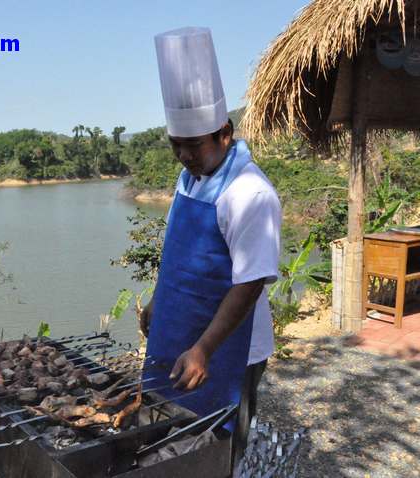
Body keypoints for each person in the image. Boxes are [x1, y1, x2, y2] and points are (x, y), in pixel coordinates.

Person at [141, 27, 281, 464]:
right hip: (177, 330)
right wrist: (155, 303)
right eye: (175, 145)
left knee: (219, 448)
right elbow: (179, 255)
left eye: (193, 144)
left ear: (224, 131)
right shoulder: (190, 180)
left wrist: (204, 349)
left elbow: (250, 282)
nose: (183, 155)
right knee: (164, 432)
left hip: (227, 346)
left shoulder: (250, 194)